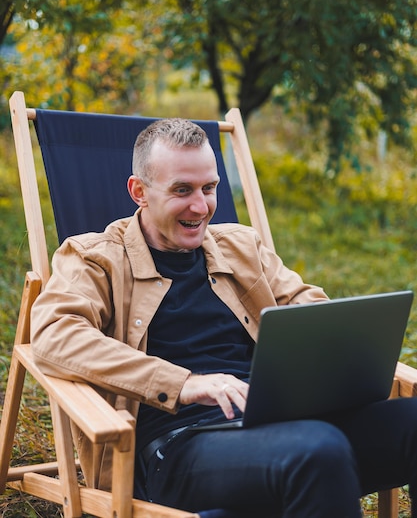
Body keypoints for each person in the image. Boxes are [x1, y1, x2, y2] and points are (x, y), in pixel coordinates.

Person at [31, 117, 417, 518]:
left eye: (209, 188)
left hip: (278, 423)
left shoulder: (241, 245)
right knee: (317, 448)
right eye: (182, 190)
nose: (201, 207)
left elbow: (304, 301)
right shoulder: (96, 258)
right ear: (139, 192)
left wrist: (328, 332)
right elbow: (54, 335)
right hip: (179, 446)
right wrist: (185, 384)